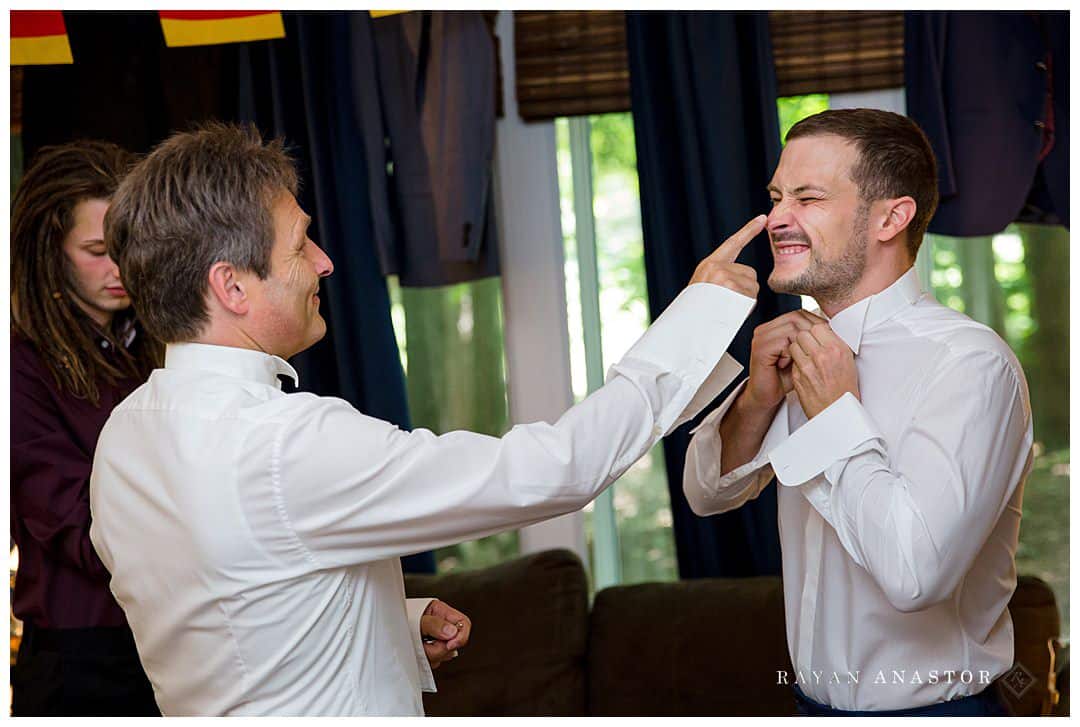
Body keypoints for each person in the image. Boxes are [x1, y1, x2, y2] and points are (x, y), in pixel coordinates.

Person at [88, 122, 765, 716]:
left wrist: (387, 621)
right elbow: (553, 471)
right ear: (231, 285)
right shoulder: (284, 443)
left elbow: (222, 600)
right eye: (300, 246)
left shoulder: (123, 436)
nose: (324, 262)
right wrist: (696, 318)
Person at [683, 108, 1032, 716]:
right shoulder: (795, 350)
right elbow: (706, 494)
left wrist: (836, 416)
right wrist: (758, 400)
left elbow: (914, 576)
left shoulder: (971, 365)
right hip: (808, 706)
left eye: (808, 198)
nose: (776, 219)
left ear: (890, 217)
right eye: (776, 196)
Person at [10, 141, 162, 715]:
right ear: (50, 250)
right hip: (82, 657)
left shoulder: (157, 342)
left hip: (167, 637)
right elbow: (78, 524)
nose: (119, 269)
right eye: (97, 250)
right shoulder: (20, 366)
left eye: (126, 247)